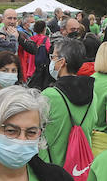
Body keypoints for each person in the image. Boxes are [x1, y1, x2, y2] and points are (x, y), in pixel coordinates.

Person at [39, 38, 97, 172]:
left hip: (54, 169)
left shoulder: (49, 95)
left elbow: (39, 135)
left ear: (62, 62)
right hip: (81, 167)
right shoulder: (93, 93)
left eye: (53, 56)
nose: (51, 60)